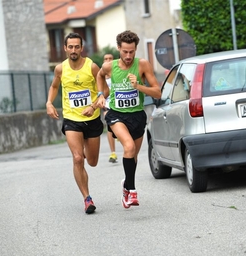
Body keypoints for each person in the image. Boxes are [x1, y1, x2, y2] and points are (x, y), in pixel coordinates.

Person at [96, 30, 161, 208]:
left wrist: (138, 86)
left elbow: (157, 91)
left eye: (131, 51)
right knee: (129, 147)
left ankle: (126, 185)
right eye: (125, 51)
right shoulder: (110, 66)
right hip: (116, 114)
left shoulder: (142, 65)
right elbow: (99, 76)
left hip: (137, 115)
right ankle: (131, 192)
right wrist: (101, 95)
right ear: (119, 48)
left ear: (135, 49)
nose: (128, 55)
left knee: (132, 156)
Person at [46, 32, 105, 214]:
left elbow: (106, 91)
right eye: (70, 47)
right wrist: (49, 103)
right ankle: (87, 198)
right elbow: (55, 86)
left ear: (81, 48)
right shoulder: (60, 69)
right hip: (72, 119)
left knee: (92, 161)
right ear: (65, 48)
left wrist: (94, 106)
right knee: (78, 158)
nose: (73, 50)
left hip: (92, 119)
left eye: (76, 46)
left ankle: (86, 151)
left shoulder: (92, 67)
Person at [102, 53, 118, 163]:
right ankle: (113, 153)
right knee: (110, 127)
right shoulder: (100, 75)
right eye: (106, 59)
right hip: (107, 106)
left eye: (110, 59)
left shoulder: (118, 72)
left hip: (119, 105)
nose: (108, 60)